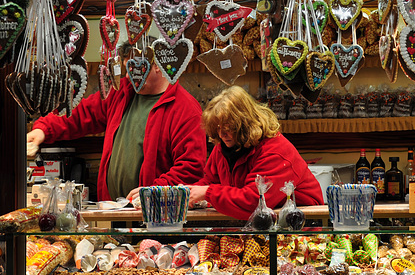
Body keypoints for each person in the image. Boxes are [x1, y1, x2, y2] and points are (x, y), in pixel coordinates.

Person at [27, 47, 207, 202]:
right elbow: (81, 114)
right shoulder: (120, 91)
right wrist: (43, 129)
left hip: (158, 215)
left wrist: (153, 192)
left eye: (135, 68)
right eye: (126, 67)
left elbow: (191, 168)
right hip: (114, 210)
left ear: (158, 66)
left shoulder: (186, 109)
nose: (128, 75)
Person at [187, 85, 323, 220]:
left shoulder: (275, 151)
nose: (221, 134)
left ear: (245, 124)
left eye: (229, 128)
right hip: (259, 223)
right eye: (217, 128)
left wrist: (208, 193)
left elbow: (254, 202)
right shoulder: (224, 147)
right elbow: (211, 181)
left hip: (301, 227)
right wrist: (189, 192)